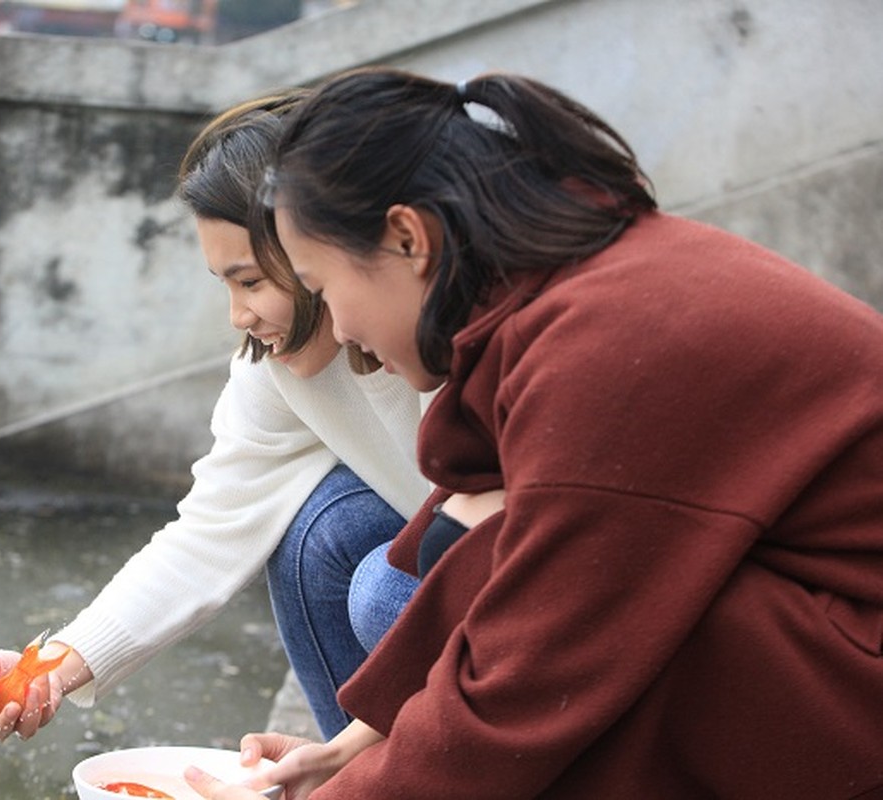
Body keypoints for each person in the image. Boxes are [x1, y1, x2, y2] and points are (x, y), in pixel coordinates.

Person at [187, 67, 883, 799]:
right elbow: (471, 528)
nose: (344, 327)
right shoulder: (560, 292)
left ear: (406, 238)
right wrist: (357, 747)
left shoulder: (607, 341)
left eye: (324, 290)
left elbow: (526, 685)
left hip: (857, 664)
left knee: (597, 666)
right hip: (824, 617)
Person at [0, 90, 428, 744]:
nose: (238, 316)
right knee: (319, 529)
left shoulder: (446, 337)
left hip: (538, 590)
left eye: (252, 281)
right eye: (226, 285)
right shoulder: (278, 366)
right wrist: (57, 667)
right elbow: (213, 529)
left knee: (385, 589)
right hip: (461, 559)